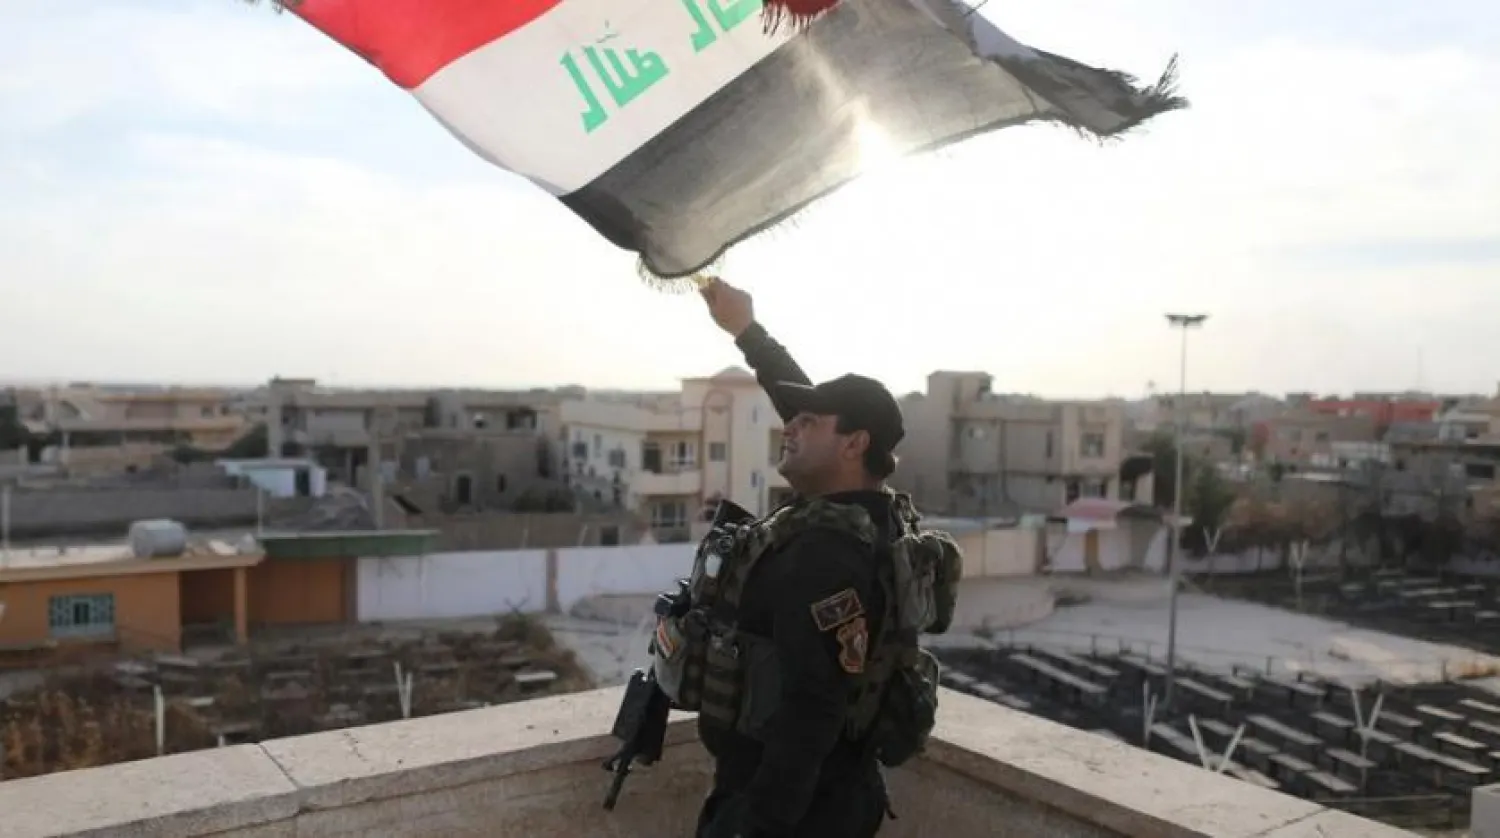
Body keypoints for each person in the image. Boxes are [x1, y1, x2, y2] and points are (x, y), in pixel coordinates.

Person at [693, 276, 905, 838]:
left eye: (807, 423)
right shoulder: (863, 511)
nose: (790, 427)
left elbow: (815, 706)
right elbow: (815, 408)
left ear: (854, 444)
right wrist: (746, 329)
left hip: (795, 812)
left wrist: (753, 824)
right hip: (827, 795)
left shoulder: (827, 551)